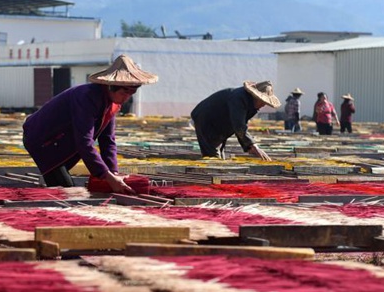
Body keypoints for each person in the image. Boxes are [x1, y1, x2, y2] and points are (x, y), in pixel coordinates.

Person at [22, 54, 157, 193]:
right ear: (111, 86)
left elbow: (108, 141)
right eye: (124, 93)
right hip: (42, 139)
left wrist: (113, 173)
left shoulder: (112, 104)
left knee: (62, 184)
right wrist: (107, 176)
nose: (126, 98)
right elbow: (84, 141)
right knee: (65, 191)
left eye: (131, 94)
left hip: (63, 141)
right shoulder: (87, 97)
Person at [190, 80, 281, 161]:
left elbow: (240, 126)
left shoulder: (250, 104)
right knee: (212, 155)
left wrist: (248, 146)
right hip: (207, 120)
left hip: (220, 124)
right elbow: (239, 125)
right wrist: (252, 145)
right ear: (256, 97)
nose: (263, 105)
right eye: (263, 102)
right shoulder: (239, 98)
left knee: (218, 154)